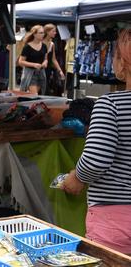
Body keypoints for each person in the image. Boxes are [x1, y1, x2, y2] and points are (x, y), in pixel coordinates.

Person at [62, 28, 131, 255]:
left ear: (121, 62)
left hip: (117, 222)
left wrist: (76, 178)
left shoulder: (110, 104)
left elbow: (95, 161)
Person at [18, 25, 48, 94]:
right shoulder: (27, 47)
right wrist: (34, 64)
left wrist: (45, 63)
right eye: (40, 33)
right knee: (35, 95)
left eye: (43, 33)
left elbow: (46, 59)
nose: (43, 35)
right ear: (34, 34)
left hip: (41, 73)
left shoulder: (44, 46)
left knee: (37, 95)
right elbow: (20, 61)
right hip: (30, 73)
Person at [43, 24, 65, 94]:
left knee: (45, 89)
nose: (55, 33)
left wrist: (60, 71)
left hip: (47, 70)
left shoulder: (52, 44)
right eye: (53, 31)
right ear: (47, 32)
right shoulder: (39, 42)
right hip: (38, 69)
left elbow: (53, 59)